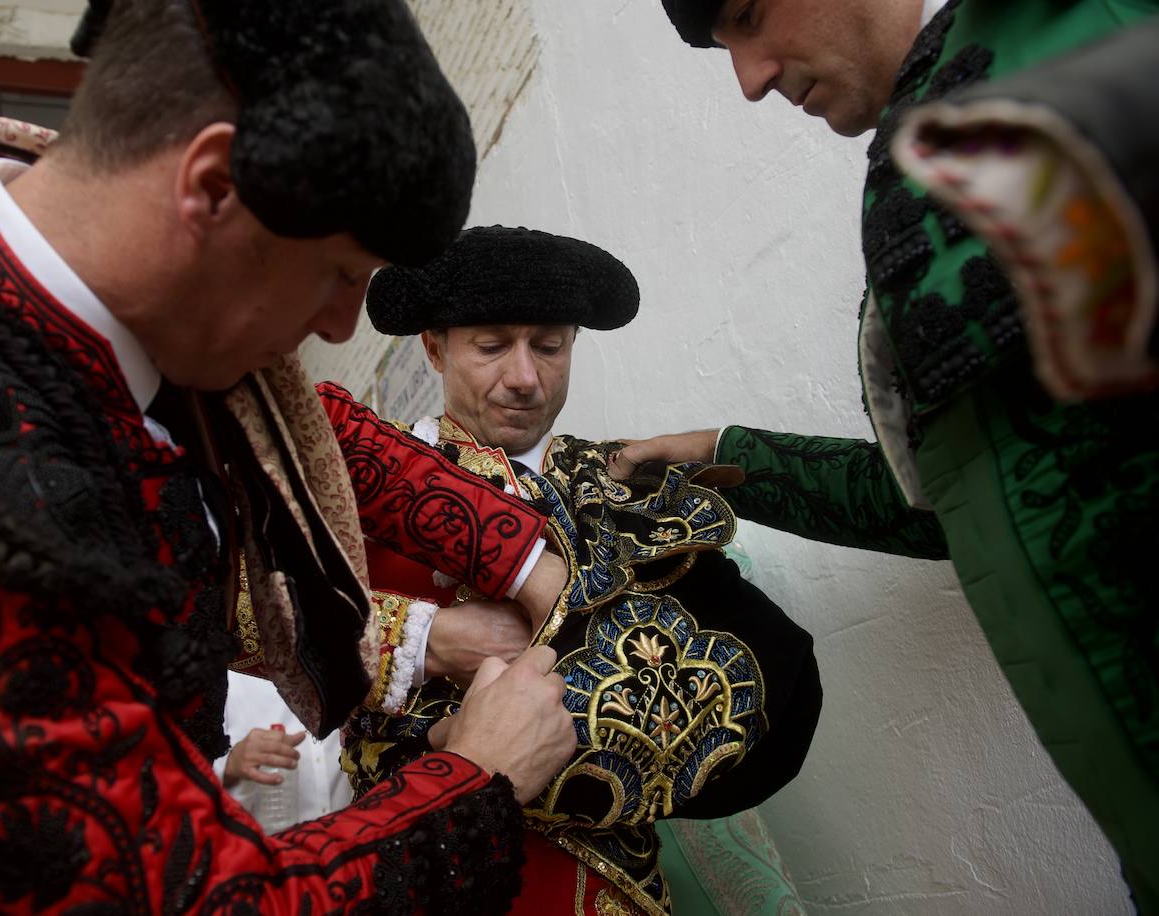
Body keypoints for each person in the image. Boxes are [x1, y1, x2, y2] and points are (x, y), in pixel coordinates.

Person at [0, 0, 579, 911]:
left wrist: (524, 556)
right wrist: (478, 777)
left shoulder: (37, 290)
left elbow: (322, 432)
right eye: (340, 273)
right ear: (210, 187)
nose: (338, 324)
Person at [635, 0, 1159, 906]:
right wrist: (720, 455)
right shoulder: (937, 125)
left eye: (752, 16)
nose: (749, 78)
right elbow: (969, 503)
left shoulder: (1081, 23)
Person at [338, 226, 823, 916]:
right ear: (434, 347)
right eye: (491, 345)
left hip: (616, 884)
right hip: (438, 871)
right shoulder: (361, 491)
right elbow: (285, 632)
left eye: (549, 345)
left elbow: (773, 674)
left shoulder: (618, 484)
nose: (526, 377)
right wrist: (428, 644)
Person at [214, 671, 352, 833]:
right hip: (268, 846)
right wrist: (231, 764)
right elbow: (188, 773)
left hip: (354, 842)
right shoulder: (227, 680)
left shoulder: (352, 668)